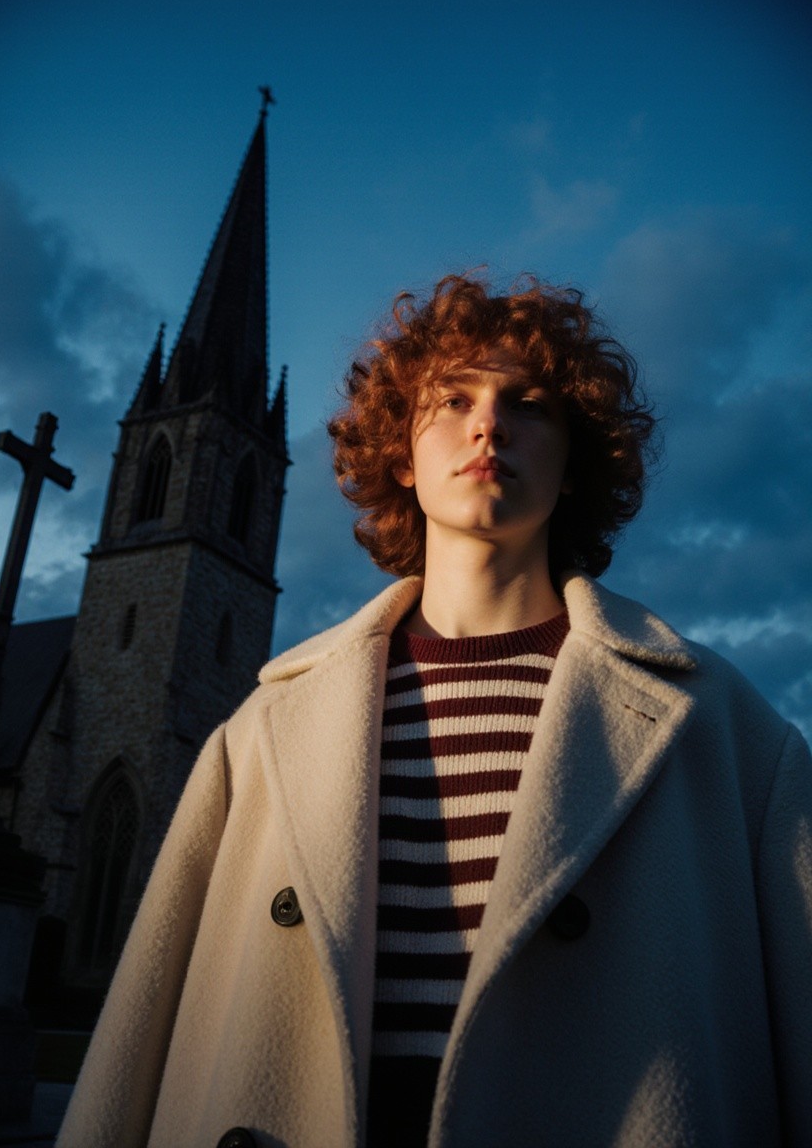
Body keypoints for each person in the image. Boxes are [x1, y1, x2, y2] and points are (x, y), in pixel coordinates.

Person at [57, 275, 812, 1148]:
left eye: (529, 404)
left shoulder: (730, 736)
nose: (489, 423)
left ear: (575, 465)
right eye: (453, 399)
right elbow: (136, 1053)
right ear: (402, 457)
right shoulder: (257, 735)